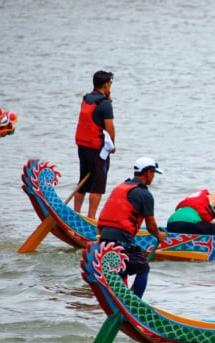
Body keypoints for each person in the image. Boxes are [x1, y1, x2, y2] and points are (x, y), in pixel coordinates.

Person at [97, 157, 167, 298]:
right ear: (148, 173)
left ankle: (121, 299)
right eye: (153, 173)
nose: (153, 177)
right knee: (143, 269)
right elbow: (151, 226)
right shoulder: (145, 194)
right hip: (123, 241)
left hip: (103, 240)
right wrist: (159, 235)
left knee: (122, 270)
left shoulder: (121, 187)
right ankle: (135, 304)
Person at [74, 70, 116, 219]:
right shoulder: (105, 104)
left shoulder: (87, 98)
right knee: (98, 184)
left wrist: (108, 98)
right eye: (110, 83)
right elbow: (109, 127)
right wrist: (112, 146)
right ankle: (91, 218)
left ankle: (76, 213)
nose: (111, 85)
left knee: (83, 180)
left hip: (83, 145)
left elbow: (95, 115)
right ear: (106, 84)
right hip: (97, 148)